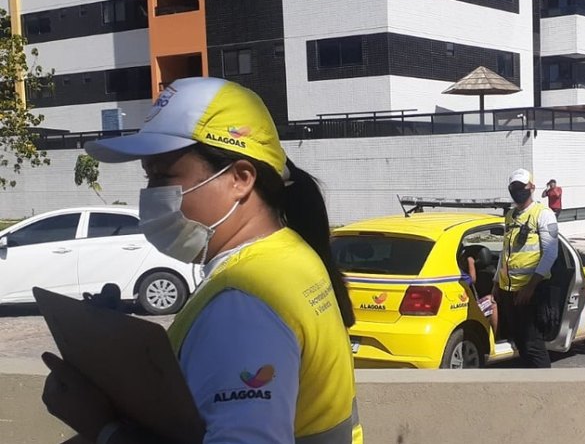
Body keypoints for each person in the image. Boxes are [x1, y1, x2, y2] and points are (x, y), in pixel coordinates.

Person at [40, 77, 363, 444]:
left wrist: (103, 428)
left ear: (240, 179)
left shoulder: (244, 306)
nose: (151, 195)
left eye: (164, 176)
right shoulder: (288, 255)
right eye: (149, 178)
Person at [496, 169, 559, 369]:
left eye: (521, 187)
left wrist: (530, 288)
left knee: (533, 345)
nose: (517, 191)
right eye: (513, 187)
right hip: (510, 292)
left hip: (532, 292)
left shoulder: (543, 214)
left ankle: (545, 387)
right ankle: (527, 384)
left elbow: (550, 253)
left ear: (531, 187)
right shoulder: (510, 216)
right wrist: (496, 285)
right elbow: (505, 253)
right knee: (520, 343)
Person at [458, 249, 498, 336]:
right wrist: (471, 263)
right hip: (466, 308)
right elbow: (472, 279)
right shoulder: (459, 272)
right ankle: (494, 337)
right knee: (492, 301)